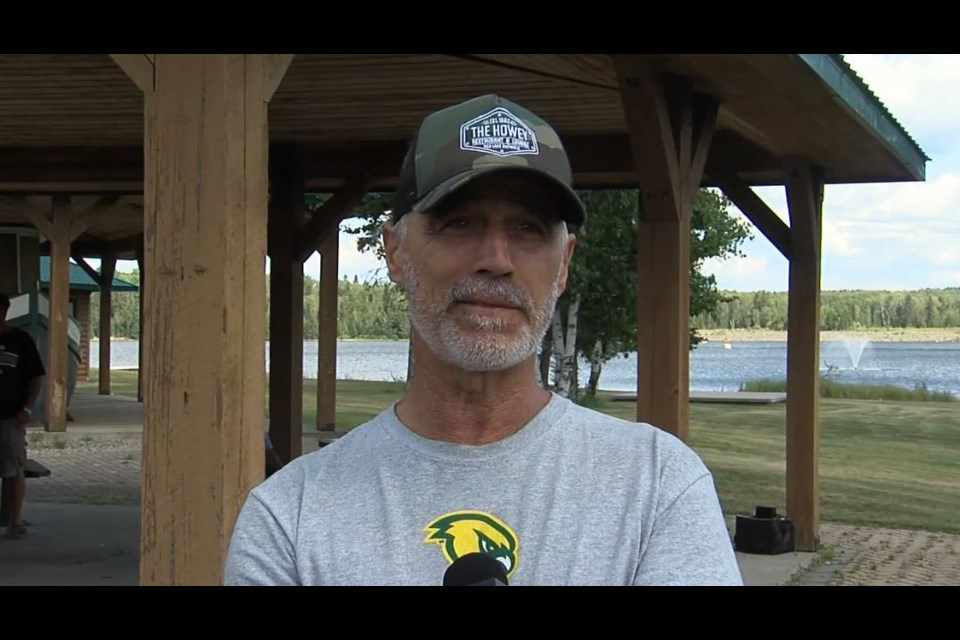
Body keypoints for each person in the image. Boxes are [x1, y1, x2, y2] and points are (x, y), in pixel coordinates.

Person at [224, 95, 743, 586]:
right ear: (396, 252)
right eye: (460, 222)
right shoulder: (290, 516)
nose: (496, 258)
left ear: (563, 264)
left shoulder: (658, 487)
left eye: (529, 228)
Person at [0, 292, 45, 540]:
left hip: (10, 416)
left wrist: (26, 409)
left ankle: (13, 521)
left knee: (13, 468)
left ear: (5, 311)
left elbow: (36, 376)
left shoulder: (21, 340)